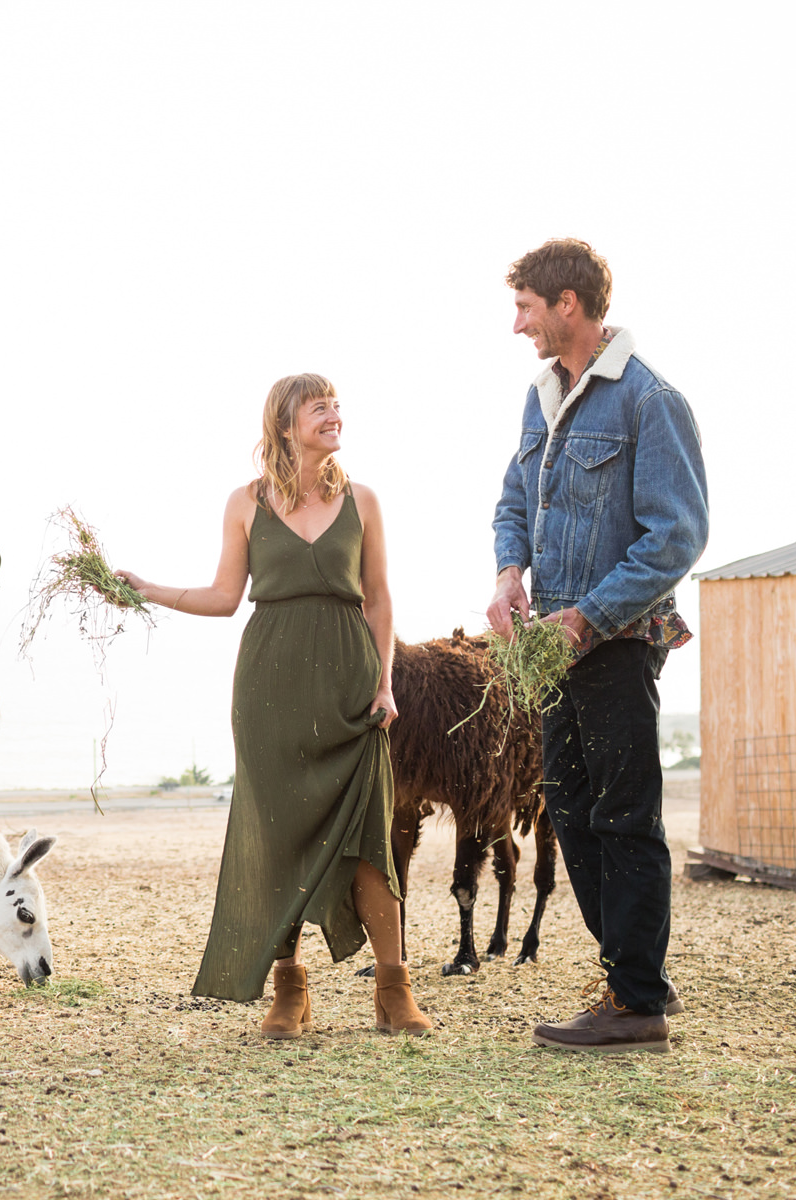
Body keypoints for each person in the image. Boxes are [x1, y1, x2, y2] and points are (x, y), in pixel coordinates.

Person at [117, 374, 431, 1038]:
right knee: (277, 843)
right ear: (285, 426)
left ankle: (393, 990)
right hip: (269, 692)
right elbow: (223, 597)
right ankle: (290, 992)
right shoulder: (245, 503)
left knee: (370, 842)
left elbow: (379, 598)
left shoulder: (364, 500)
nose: (334, 414)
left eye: (337, 405)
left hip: (350, 688)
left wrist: (385, 684)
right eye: (319, 407)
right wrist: (149, 590)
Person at [489, 239, 708, 1054]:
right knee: (573, 812)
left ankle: (636, 1003)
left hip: (615, 640)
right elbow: (515, 499)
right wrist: (509, 573)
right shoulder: (542, 395)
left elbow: (676, 536)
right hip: (550, 646)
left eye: (526, 309)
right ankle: (636, 971)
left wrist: (586, 617)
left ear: (568, 305)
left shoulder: (650, 401)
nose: (518, 325)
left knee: (623, 814)